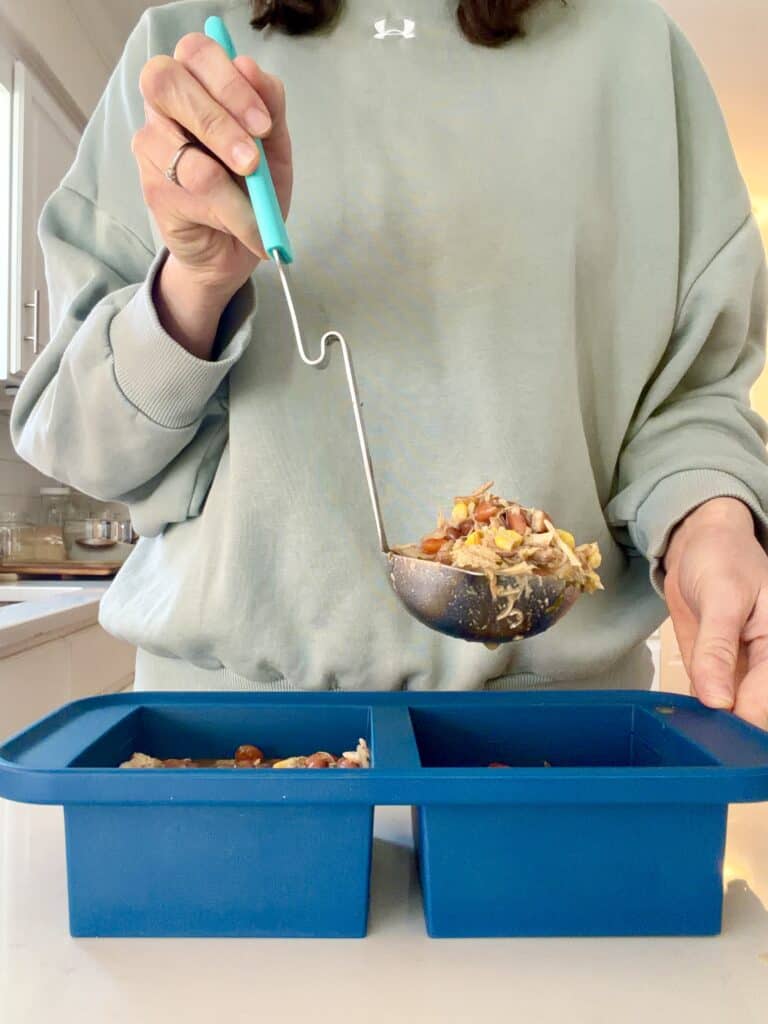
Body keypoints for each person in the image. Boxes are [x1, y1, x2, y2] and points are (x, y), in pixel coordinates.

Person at [10, 0, 768, 723]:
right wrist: (195, 283)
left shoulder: (637, 53)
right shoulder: (185, 61)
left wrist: (712, 525)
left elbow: (686, 402)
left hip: (563, 747)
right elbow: (84, 448)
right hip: (231, 745)